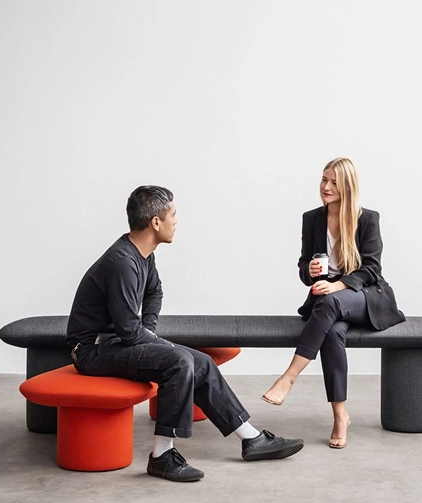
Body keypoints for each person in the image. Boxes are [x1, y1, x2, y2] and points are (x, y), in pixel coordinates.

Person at [66, 185, 304, 482]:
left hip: (115, 342)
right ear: (156, 222)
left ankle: (252, 438)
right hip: (92, 350)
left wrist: (149, 330)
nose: (176, 221)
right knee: (179, 361)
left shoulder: (143, 254)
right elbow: (128, 332)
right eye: (173, 215)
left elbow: (154, 292)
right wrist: (158, 342)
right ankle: (161, 457)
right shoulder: (122, 263)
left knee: (201, 361)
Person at [262, 157, 405, 449]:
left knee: (330, 303)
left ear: (347, 187)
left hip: (366, 297)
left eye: (334, 182)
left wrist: (339, 285)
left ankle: (289, 376)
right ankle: (341, 415)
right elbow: (304, 268)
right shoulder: (312, 219)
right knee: (333, 331)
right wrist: (311, 270)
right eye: (324, 179)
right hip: (330, 301)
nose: (326, 186)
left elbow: (372, 269)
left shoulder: (367, 219)